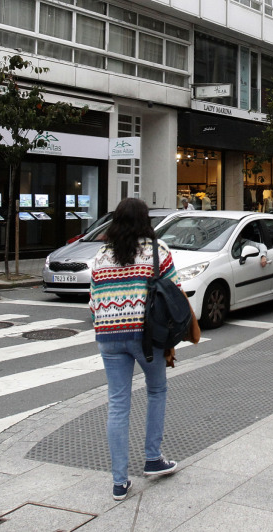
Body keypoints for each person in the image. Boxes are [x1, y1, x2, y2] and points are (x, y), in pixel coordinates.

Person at [89, 198, 179, 501]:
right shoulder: (158, 252)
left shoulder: (100, 255)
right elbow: (173, 293)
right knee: (156, 391)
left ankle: (119, 481)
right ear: (145, 221)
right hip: (147, 337)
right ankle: (153, 458)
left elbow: (93, 301)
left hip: (109, 336)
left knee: (117, 404)